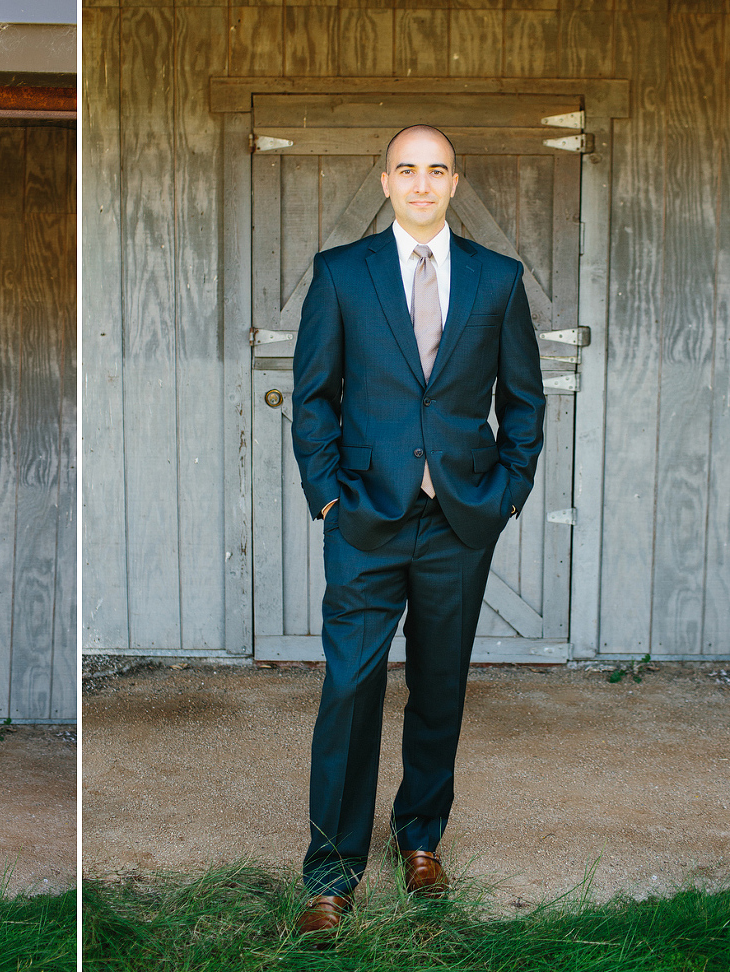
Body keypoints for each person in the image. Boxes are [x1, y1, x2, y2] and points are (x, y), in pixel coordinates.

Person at [289, 126, 546, 933]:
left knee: (438, 688)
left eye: (436, 169)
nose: (422, 183)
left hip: (458, 521)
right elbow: (313, 399)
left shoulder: (497, 280)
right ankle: (330, 872)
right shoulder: (340, 274)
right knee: (350, 689)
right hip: (363, 516)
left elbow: (526, 403)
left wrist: (504, 495)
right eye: (407, 169)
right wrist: (329, 497)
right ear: (385, 180)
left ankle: (420, 841)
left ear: (455, 181)